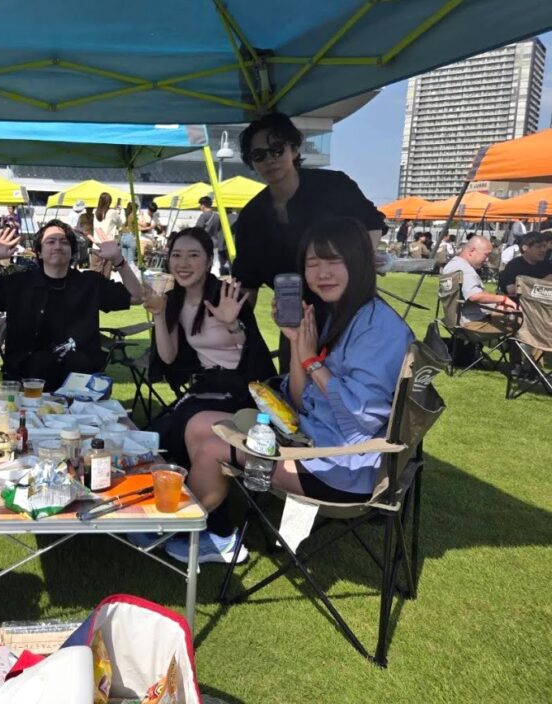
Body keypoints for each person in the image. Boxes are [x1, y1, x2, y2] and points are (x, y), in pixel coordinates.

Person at [147, 218, 413, 564]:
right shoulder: (339, 315)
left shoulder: (378, 328)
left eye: (334, 260)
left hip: (341, 468)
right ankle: (207, 527)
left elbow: (359, 416)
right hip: (315, 439)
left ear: (359, 261)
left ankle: (193, 531)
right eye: (313, 263)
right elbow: (301, 402)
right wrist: (297, 346)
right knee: (199, 424)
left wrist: (313, 362)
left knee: (212, 448)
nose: (322, 273)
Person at [142, 227, 275, 468]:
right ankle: (191, 482)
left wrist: (232, 324)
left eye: (193, 255)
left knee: (182, 424)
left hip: (244, 390)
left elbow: (252, 352)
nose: (183, 263)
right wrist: (159, 315)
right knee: (154, 435)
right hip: (208, 386)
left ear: (209, 261)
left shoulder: (225, 296)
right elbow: (168, 357)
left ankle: (194, 484)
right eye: (176, 255)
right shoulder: (174, 300)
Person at [0, 220, 145, 389]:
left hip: (80, 382)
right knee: (41, 361)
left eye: (64, 242)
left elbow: (137, 296)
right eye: (50, 241)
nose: (58, 246)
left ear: (72, 251)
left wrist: (119, 261)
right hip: (29, 380)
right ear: (39, 252)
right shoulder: (18, 284)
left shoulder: (89, 283)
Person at [230, 113, 385, 308]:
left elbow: (373, 225)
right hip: (295, 314)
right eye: (259, 155)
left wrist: (357, 267)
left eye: (277, 150)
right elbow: (246, 283)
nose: (269, 159)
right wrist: (236, 321)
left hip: (348, 306)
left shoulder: (335, 185)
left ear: (294, 150)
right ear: (251, 162)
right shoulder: (251, 217)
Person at [441, 235, 519, 333]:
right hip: (472, 324)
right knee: (520, 324)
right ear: (472, 251)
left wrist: (496, 305)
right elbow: (474, 296)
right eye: (486, 255)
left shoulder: (452, 265)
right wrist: (504, 299)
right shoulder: (465, 269)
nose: (487, 259)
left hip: (454, 320)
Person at [498, 232, 552, 297]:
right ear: (525, 248)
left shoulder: (546, 265)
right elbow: (511, 289)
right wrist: (542, 281)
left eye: (544, 246)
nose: (543, 250)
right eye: (538, 247)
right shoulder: (515, 265)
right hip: (519, 302)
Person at [90, 191, 122, 275]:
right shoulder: (112, 213)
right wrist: (118, 211)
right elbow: (120, 223)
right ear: (110, 202)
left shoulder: (95, 211)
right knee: (106, 273)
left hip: (96, 245)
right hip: (108, 246)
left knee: (94, 272)